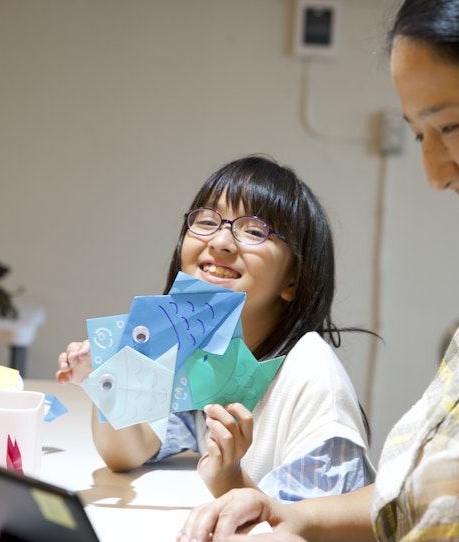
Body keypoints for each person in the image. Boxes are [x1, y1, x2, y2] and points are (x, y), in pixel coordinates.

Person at [176, 1, 459, 542]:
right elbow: (423, 507)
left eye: (450, 126)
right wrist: (290, 518)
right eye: (419, 134)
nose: (434, 173)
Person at [57, 156, 374, 513]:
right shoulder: (203, 353)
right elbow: (129, 453)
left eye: (254, 231)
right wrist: (107, 383)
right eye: (206, 221)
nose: (221, 241)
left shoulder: (313, 379)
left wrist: (228, 478)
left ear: (292, 281)